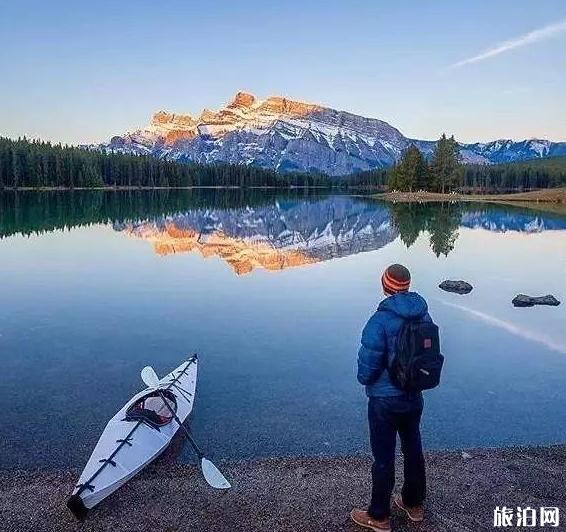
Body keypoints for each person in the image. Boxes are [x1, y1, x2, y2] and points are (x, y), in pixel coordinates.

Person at [351, 264, 431, 532]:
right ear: (407, 286)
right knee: (413, 449)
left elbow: (368, 366)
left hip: (384, 400)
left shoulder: (379, 320)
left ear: (386, 286)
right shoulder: (423, 314)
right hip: (413, 396)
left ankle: (379, 516)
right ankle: (413, 503)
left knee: (384, 457)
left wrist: (365, 379)